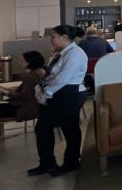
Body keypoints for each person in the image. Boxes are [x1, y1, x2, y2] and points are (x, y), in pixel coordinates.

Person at [29, 24, 88, 176]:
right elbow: (51, 74)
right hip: (57, 93)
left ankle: (71, 162)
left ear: (64, 37)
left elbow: (64, 78)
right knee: (43, 128)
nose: (51, 40)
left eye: (54, 37)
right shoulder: (59, 53)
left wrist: (47, 93)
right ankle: (47, 162)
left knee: (69, 128)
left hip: (69, 94)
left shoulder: (75, 54)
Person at [0, 50, 45, 147]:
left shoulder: (31, 76)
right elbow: (23, 91)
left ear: (29, 62)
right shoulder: (38, 73)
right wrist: (4, 89)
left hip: (25, 108)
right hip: (31, 106)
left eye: (21, 60)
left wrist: (4, 91)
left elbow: (23, 96)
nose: (19, 62)